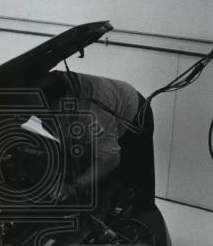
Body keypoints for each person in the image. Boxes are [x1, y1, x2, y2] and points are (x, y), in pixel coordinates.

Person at [39, 70, 155, 204]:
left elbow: (111, 159)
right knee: (88, 167)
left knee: (136, 184)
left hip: (131, 116)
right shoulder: (42, 94)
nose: (46, 123)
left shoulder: (92, 112)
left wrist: (73, 188)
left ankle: (143, 209)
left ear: (64, 102)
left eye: (51, 118)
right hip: (85, 114)